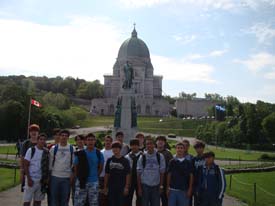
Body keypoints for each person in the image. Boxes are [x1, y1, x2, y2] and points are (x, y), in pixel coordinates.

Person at [73, 133, 104, 206]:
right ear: (85, 141)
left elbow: (101, 166)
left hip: (93, 182)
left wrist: (96, 175)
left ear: (95, 141)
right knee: (79, 203)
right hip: (81, 181)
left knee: (94, 203)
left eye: (92, 140)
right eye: (88, 140)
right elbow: (75, 167)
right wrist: (79, 177)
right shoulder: (80, 153)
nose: (90, 142)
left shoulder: (98, 153)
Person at [137, 136, 165, 206]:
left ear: (154, 144)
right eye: (147, 144)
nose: (149, 145)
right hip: (145, 186)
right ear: (145, 146)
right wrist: (139, 188)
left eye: (151, 143)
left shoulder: (160, 156)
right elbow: (139, 173)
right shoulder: (142, 157)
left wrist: (161, 186)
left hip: (156, 185)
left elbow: (162, 172)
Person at [23, 133, 49, 206]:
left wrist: (46, 178)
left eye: (44, 140)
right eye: (41, 139)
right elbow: (26, 165)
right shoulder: (31, 150)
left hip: (41, 180)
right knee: (27, 201)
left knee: (38, 202)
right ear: (37, 140)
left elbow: (47, 166)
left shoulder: (46, 152)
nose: (42, 141)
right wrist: (28, 178)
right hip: (31, 179)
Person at [49, 129, 74, 206]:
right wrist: (49, 176)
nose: (64, 137)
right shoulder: (54, 148)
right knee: (54, 200)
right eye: (62, 135)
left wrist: (72, 176)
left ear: (68, 137)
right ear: (59, 137)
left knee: (65, 200)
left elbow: (73, 163)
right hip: (55, 177)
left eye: (66, 136)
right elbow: (50, 163)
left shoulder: (71, 148)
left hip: (66, 178)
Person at [166, 142, 193, 206]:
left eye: (181, 148)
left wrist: (190, 189)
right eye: (178, 148)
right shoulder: (172, 161)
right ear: (176, 149)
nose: (180, 149)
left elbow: (191, 176)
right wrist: (167, 188)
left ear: (184, 149)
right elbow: (169, 175)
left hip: (184, 190)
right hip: (173, 190)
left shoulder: (188, 162)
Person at [104, 141, 130, 206]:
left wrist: (126, 187)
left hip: (121, 186)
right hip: (111, 187)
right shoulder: (109, 160)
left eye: (117, 147)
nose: (115, 149)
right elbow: (107, 174)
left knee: (121, 203)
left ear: (120, 149)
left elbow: (128, 174)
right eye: (113, 147)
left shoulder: (125, 160)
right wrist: (105, 187)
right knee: (111, 203)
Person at [20, 124, 40, 192]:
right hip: (28, 172)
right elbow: (22, 157)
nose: (34, 133)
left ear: (38, 133)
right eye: (32, 131)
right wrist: (22, 170)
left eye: (35, 131)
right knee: (27, 196)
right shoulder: (26, 143)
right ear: (29, 133)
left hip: (39, 172)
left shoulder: (41, 143)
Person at [156, 136, 173, 206]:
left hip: (165, 180)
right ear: (156, 142)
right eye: (159, 140)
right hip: (154, 180)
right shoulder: (152, 152)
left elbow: (171, 168)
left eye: (162, 141)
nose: (160, 142)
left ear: (165, 143)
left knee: (165, 200)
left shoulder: (168, 153)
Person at [125, 139, 142, 206]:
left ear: (139, 146)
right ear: (130, 146)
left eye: (136, 145)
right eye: (132, 145)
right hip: (130, 180)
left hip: (140, 180)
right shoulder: (127, 157)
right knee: (128, 198)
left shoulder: (143, 156)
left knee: (140, 198)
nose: (134, 147)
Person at [71, 134, 86, 205]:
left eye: (81, 139)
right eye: (77, 140)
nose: (79, 141)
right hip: (75, 176)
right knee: (75, 195)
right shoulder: (74, 150)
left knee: (85, 197)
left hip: (85, 176)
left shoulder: (87, 150)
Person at [99, 135, 113, 206]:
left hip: (111, 178)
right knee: (102, 198)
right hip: (101, 177)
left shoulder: (113, 152)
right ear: (104, 141)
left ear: (111, 142)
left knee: (110, 198)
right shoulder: (101, 152)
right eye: (106, 140)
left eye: (109, 141)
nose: (107, 142)